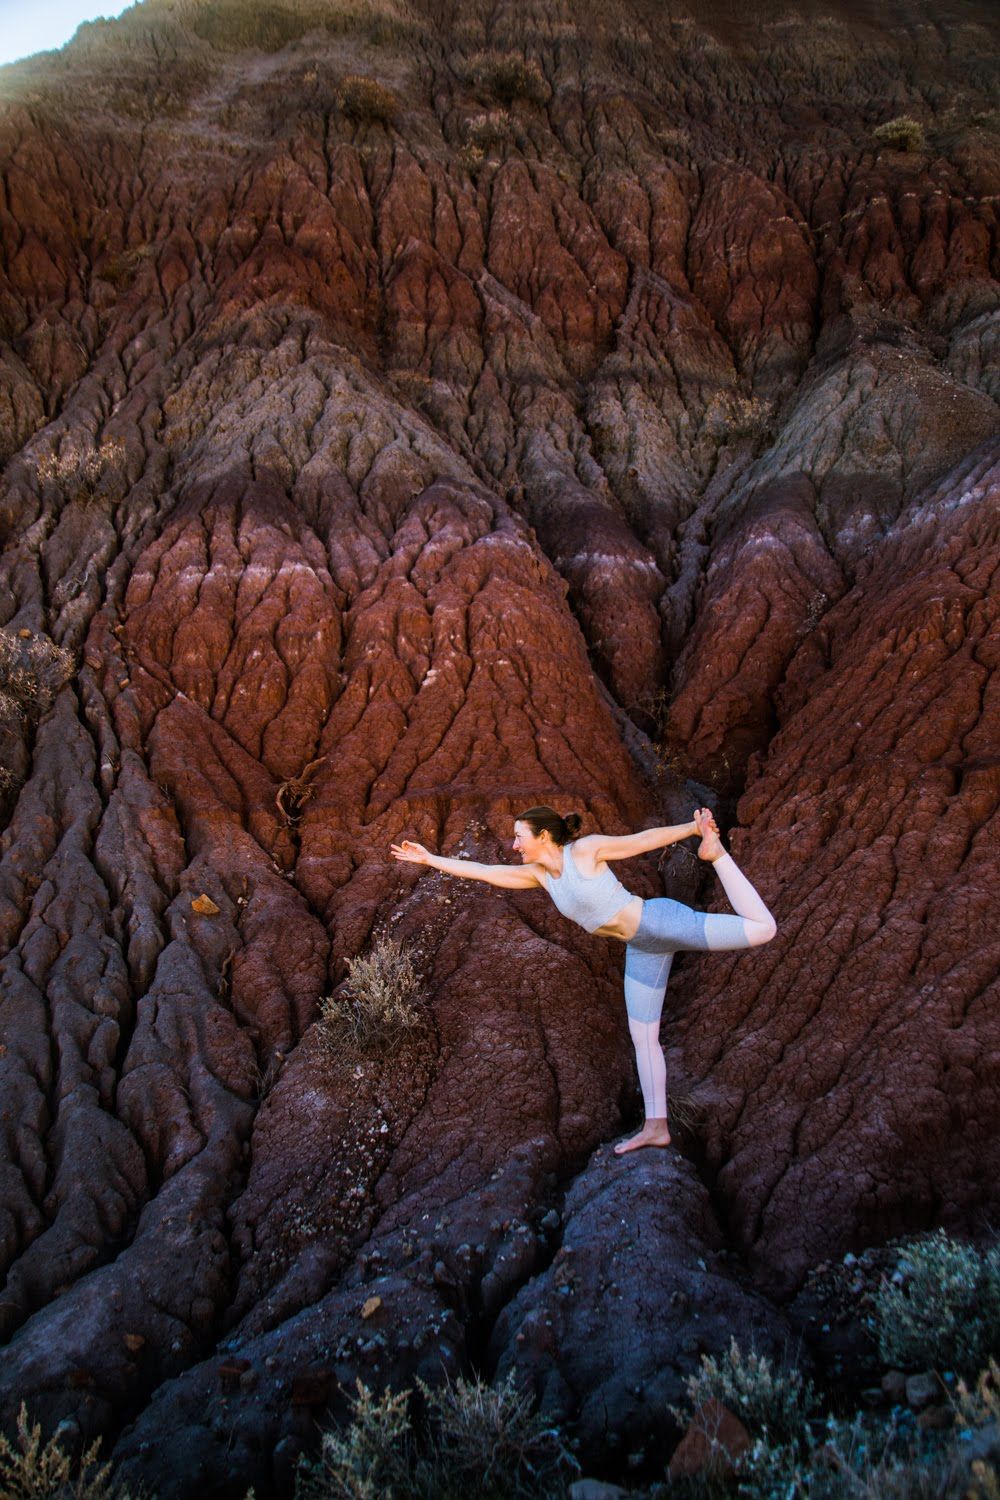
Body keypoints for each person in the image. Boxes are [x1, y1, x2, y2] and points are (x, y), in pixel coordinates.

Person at [390, 807, 776, 1153]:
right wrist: (431, 859)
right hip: (643, 948)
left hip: (660, 922)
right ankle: (656, 1127)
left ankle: (718, 856)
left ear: (543, 836)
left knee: (763, 930)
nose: (514, 845)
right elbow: (488, 873)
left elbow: (640, 842)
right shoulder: (541, 877)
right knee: (643, 1036)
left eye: (519, 836)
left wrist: (693, 829)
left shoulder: (585, 851)